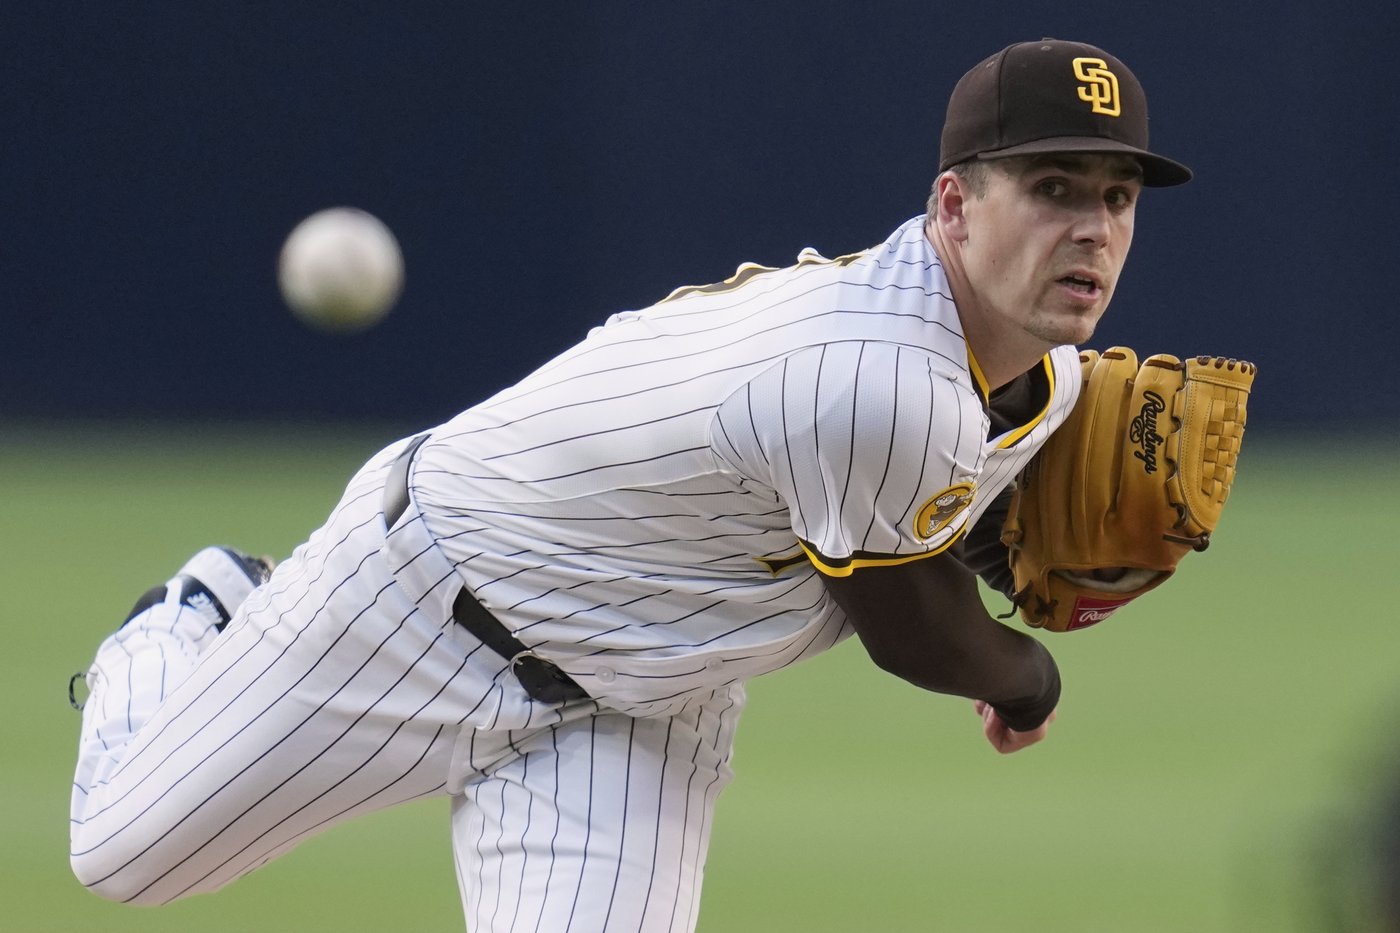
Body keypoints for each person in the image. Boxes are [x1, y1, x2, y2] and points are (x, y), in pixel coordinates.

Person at [69, 38, 1192, 931]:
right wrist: (1025, 679)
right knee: (122, 855)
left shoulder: (1043, 386)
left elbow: (918, 515)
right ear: (952, 207)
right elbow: (911, 631)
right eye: (1052, 188)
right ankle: (195, 611)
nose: (1091, 227)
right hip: (419, 606)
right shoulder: (867, 371)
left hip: (643, 704)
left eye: (1116, 197)